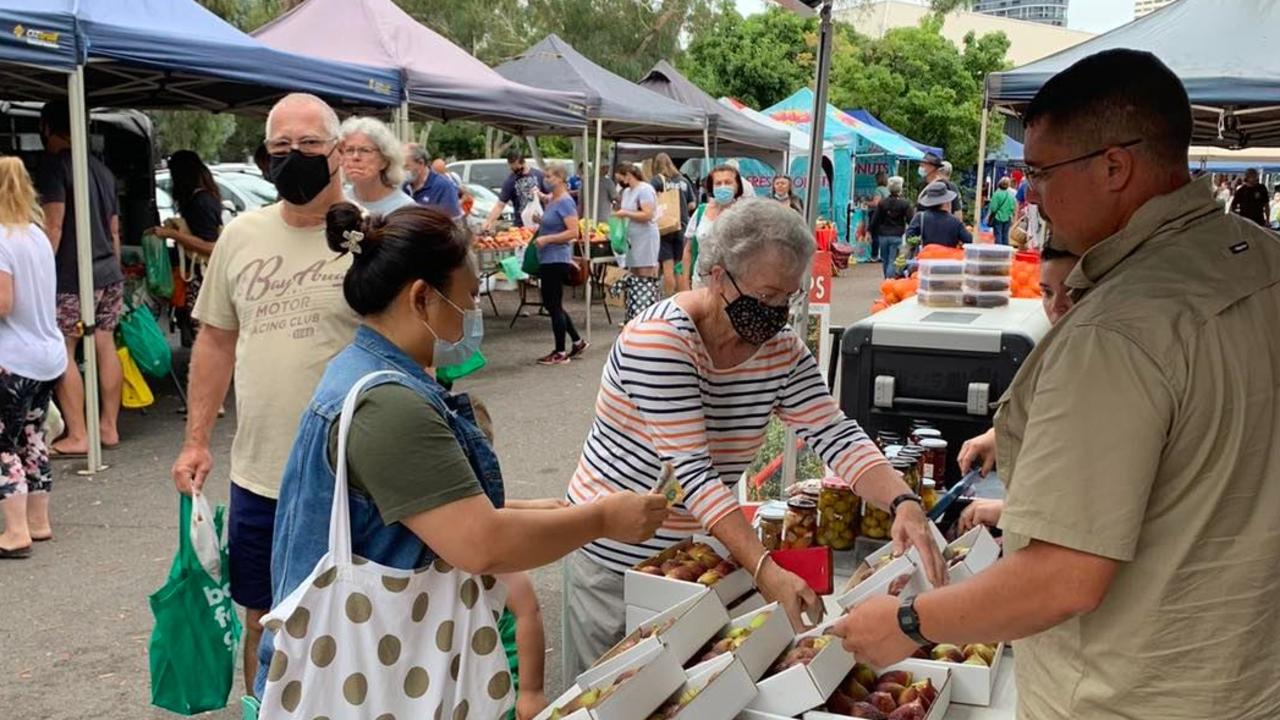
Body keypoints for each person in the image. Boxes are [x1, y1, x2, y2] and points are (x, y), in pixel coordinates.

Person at [833, 49, 1280, 720]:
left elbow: (1065, 577)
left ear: (1114, 166)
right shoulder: (1263, 259)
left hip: (1132, 695)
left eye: (1040, 172)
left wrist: (906, 621)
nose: (1030, 193)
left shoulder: (1117, 330)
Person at [256, 201, 667, 709]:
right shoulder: (389, 405)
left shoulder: (365, 371)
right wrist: (602, 519)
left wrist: (541, 511)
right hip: (370, 685)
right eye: (468, 299)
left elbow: (415, 517)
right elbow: (481, 544)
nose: (472, 316)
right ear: (422, 298)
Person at [562, 198, 947, 680]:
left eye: (787, 298)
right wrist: (765, 571)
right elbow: (693, 476)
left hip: (693, 559)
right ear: (719, 276)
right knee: (610, 694)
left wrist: (903, 502)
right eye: (765, 297)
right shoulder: (660, 339)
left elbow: (835, 432)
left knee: (677, 691)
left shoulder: (780, 350)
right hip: (614, 560)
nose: (775, 314)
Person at [170, 93, 361, 691]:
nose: (294, 156)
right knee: (262, 614)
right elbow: (215, 342)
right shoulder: (240, 235)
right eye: (281, 147)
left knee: (354, 617)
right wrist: (196, 441)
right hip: (261, 475)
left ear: (337, 153)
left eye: (308, 145)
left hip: (354, 476)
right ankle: (265, 706)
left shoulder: (370, 235)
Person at [952, 243, 1080, 529]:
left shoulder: (1099, 358)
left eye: (1072, 292)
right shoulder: (1062, 345)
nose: (1057, 305)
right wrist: (1000, 435)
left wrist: (1010, 513)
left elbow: (1084, 486)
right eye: (1047, 292)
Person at [34, 100, 124, 457]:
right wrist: (114, 270)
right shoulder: (101, 169)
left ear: (46, 127)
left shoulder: (54, 167)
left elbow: (53, 225)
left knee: (64, 349)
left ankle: (78, 434)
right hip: (108, 271)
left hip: (71, 274)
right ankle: (109, 426)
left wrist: (40, 273)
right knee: (105, 343)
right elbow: (114, 229)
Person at [0, 157, 65, 558]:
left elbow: (4, 302)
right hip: (47, 356)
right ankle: (39, 522)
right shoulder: (36, 235)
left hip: (11, 359)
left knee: (2, 445)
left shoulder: (0, 238)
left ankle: (14, 531)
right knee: (33, 438)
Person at [150, 150, 223, 348]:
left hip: (202, 276)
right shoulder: (206, 198)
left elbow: (211, 247)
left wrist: (172, 234)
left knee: (204, 333)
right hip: (202, 276)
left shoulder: (200, 202)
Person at [534, 163, 588, 366]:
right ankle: (577, 340)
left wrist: (547, 239)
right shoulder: (552, 200)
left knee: (553, 304)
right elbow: (554, 223)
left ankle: (560, 351)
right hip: (548, 257)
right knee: (552, 303)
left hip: (556, 258)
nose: (546, 180)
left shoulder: (565, 202)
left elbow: (573, 232)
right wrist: (541, 222)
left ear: (560, 178)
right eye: (545, 176)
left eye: (549, 176)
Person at [681, 164, 745, 290]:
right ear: (712, 187)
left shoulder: (744, 214)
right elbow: (688, 250)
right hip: (700, 282)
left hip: (733, 286)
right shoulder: (701, 212)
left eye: (728, 182)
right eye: (718, 183)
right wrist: (685, 283)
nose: (723, 187)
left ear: (737, 186)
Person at [339, 116, 416, 216]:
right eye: (349, 150)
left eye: (365, 150)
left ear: (385, 160)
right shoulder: (339, 202)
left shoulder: (406, 210)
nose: (355, 157)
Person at [613, 164, 661, 321]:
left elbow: (648, 214)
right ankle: (634, 311)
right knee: (634, 274)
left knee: (645, 274)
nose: (619, 182)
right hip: (632, 237)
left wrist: (626, 213)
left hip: (646, 237)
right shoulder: (626, 192)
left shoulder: (645, 189)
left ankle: (647, 313)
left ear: (628, 175)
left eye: (620, 178)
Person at [650, 153, 691, 296]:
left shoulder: (656, 181)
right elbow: (692, 204)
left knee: (668, 267)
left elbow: (650, 200)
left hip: (665, 228)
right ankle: (682, 298)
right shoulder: (684, 181)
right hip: (682, 226)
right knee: (680, 266)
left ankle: (669, 298)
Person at [482, 150, 550, 233]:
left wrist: (541, 196)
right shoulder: (510, 181)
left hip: (539, 225)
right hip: (520, 226)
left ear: (523, 163)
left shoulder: (539, 175)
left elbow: (550, 198)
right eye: (512, 169)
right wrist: (489, 221)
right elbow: (500, 205)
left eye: (517, 169)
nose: (514, 172)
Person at [402, 143, 463, 220]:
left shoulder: (444, 187)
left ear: (421, 163)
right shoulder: (402, 187)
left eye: (406, 167)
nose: (401, 171)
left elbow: (454, 224)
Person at [905, 181, 972, 250]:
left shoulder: (920, 217)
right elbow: (969, 240)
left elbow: (909, 238)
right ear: (946, 201)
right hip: (948, 258)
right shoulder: (955, 221)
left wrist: (922, 239)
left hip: (925, 258)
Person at [868, 175, 911, 278]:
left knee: (885, 260)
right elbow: (911, 219)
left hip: (882, 235)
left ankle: (886, 279)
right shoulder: (905, 203)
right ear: (900, 188)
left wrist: (869, 231)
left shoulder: (883, 203)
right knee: (892, 260)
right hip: (897, 235)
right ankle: (889, 280)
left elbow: (875, 219)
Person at [917, 151, 964, 220]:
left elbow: (957, 212)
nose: (920, 167)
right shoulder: (923, 185)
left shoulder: (946, 185)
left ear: (932, 167)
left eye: (923, 165)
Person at [986, 176, 1017, 245]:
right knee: (1005, 235)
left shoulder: (996, 194)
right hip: (1008, 218)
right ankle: (1006, 251)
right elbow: (1013, 208)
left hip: (998, 217)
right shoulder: (1010, 196)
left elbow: (993, 208)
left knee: (998, 234)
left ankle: (999, 250)